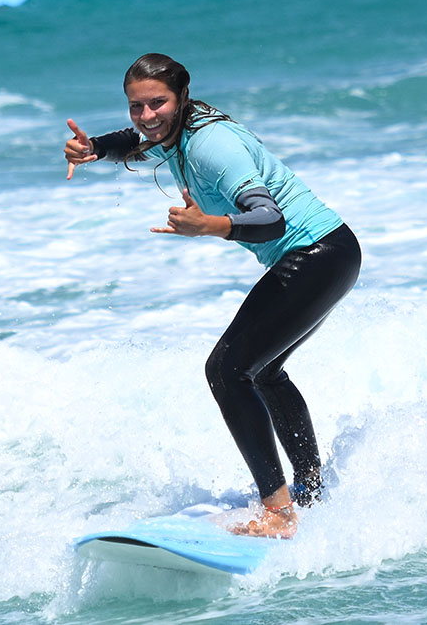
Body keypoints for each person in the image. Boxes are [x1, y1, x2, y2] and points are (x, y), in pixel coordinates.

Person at [63, 53, 361, 539]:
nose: (145, 116)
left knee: (226, 370)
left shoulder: (212, 146)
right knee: (262, 370)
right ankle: (309, 493)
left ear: (181, 97)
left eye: (157, 103)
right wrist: (93, 148)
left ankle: (280, 513)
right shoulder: (174, 131)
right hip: (332, 253)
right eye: (136, 106)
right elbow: (133, 142)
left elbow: (270, 219)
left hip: (317, 253)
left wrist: (212, 226)